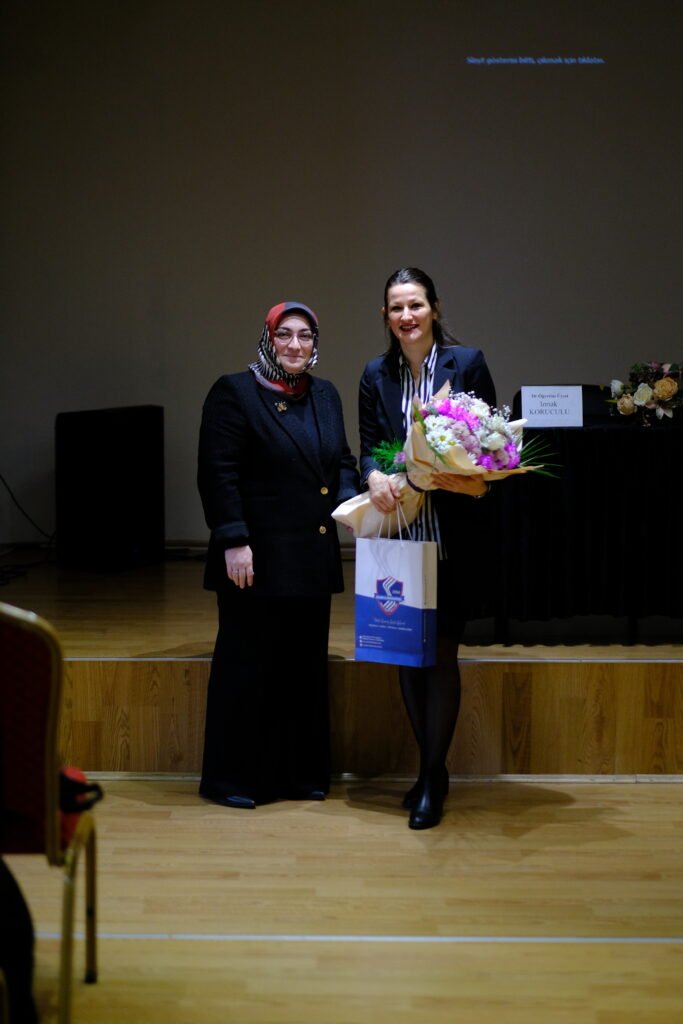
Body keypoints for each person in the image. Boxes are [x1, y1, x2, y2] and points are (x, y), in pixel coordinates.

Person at [197, 301, 360, 808]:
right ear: (268, 339)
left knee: (303, 670)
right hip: (255, 558)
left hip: (310, 557)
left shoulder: (325, 394)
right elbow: (218, 472)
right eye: (284, 334)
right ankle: (233, 780)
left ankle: (301, 775)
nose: (295, 344)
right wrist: (233, 539)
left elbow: (342, 462)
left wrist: (354, 501)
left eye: (305, 335)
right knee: (248, 668)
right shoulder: (235, 392)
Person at [358, 267, 497, 830]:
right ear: (386, 316)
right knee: (405, 653)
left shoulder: (467, 364)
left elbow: (489, 445)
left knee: (440, 654)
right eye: (396, 308)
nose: (406, 316)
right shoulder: (375, 374)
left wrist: (459, 473)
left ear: (434, 308)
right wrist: (373, 475)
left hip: (451, 535)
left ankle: (432, 777)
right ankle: (429, 772)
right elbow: (368, 448)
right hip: (399, 534)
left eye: (415, 304)